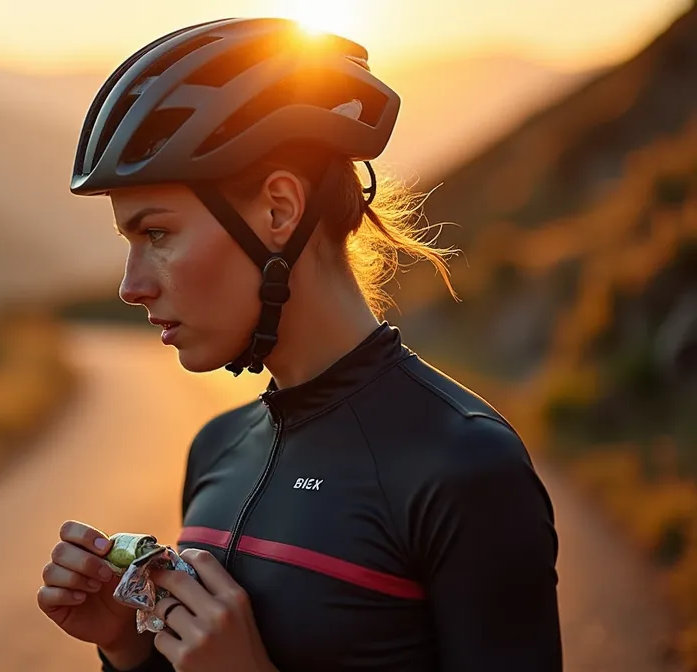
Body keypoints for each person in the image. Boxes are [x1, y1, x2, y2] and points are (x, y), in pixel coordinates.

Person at [35, 17, 562, 672]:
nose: (131, 286)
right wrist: (127, 647)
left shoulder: (464, 467)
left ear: (279, 210)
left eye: (158, 234)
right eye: (128, 243)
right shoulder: (216, 450)